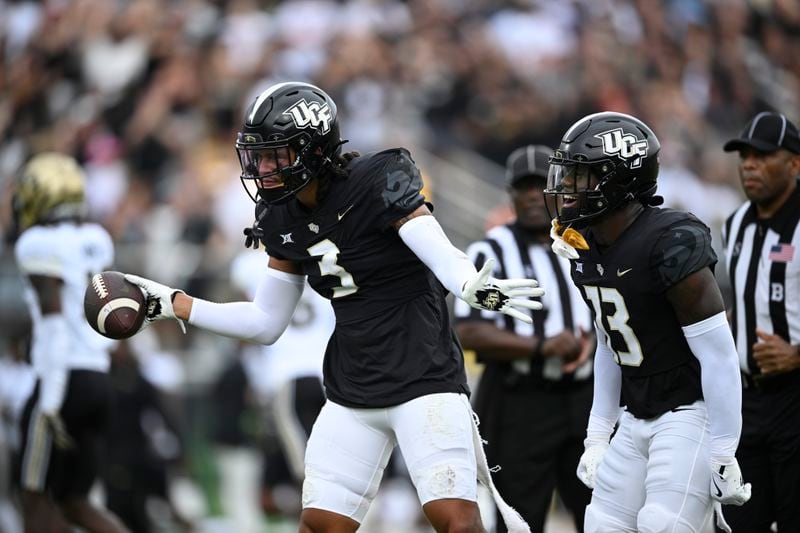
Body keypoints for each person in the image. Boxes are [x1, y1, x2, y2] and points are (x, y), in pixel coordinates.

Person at [122, 81, 543, 533]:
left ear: (314, 148)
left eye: (276, 155)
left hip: (423, 376)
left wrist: (466, 283)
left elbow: (435, 248)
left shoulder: (377, 179)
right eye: (258, 156)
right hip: (352, 389)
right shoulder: (279, 216)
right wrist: (176, 304)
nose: (263, 169)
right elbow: (265, 322)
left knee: (456, 523)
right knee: (320, 526)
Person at [543, 111, 751, 532]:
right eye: (566, 174)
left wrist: (724, 450)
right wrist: (597, 435)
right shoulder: (584, 244)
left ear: (618, 178)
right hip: (635, 413)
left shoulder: (669, 240)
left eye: (580, 176)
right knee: (601, 525)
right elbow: (608, 343)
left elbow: (719, 354)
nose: (565, 186)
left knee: (663, 524)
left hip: (689, 410)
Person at [454, 144, 594, 532]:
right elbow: (468, 330)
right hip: (520, 402)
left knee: (602, 511)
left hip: (584, 398)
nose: (534, 195)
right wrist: (539, 347)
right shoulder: (490, 250)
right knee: (519, 518)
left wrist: (592, 342)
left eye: (542, 185)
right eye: (524, 186)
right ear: (511, 194)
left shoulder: (584, 244)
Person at [11, 153, 130, 533]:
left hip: (63, 381)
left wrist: (49, 400)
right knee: (75, 502)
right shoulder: (96, 239)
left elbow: (54, 323)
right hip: (98, 378)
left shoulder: (37, 243)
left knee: (33, 498)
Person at [720, 111, 800, 531]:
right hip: (747, 403)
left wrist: (798, 354)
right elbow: (743, 303)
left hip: (796, 399)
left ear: (795, 163)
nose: (749, 164)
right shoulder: (735, 225)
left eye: (762, 155)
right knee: (739, 521)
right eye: (744, 155)